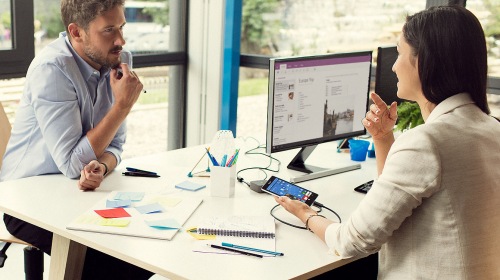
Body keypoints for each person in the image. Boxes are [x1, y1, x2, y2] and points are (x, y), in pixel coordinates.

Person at [274, 5, 500, 279]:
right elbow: (398, 202)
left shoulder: (428, 142)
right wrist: (383, 140)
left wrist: (305, 214)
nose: (393, 65)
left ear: (424, 62)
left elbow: (351, 242)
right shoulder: (491, 127)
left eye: (400, 53)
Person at [1, 0, 153, 279]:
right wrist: (122, 106)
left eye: (121, 27)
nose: (120, 40)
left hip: (79, 195)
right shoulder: (53, 69)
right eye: (108, 30)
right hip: (25, 200)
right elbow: (72, 164)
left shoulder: (114, 59)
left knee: (141, 252)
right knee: (112, 266)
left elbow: (116, 145)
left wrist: (101, 168)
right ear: (76, 32)